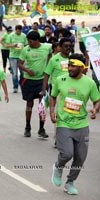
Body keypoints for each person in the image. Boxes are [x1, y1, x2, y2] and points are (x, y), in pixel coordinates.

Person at [50, 53, 100, 195]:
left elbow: (97, 100)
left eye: (73, 66)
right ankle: (58, 167)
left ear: (82, 68)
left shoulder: (89, 83)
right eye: (69, 65)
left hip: (82, 124)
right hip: (64, 123)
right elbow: (53, 96)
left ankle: (70, 182)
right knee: (66, 153)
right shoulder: (61, 79)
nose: (69, 68)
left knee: (80, 158)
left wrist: (95, 110)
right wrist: (52, 111)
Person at [18, 31, 52, 138]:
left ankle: (41, 129)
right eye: (28, 41)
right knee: (29, 104)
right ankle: (27, 127)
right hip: (28, 81)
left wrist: (48, 66)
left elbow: (50, 54)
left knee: (43, 104)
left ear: (37, 40)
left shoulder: (46, 48)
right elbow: (20, 64)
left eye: (30, 41)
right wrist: (27, 70)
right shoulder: (25, 49)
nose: (29, 43)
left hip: (42, 81)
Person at [6, 25, 27, 93]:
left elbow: (26, 44)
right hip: (13, 56)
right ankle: (15, 87)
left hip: (22, 56)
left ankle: (21, 83)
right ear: (15, 30)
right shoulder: (11, 36)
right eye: (17, 31)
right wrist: (13, 45)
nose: (19, 32)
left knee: (23, 72)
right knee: (14, 73)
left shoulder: (24, 36)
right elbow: (6, 45)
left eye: (20, 31)